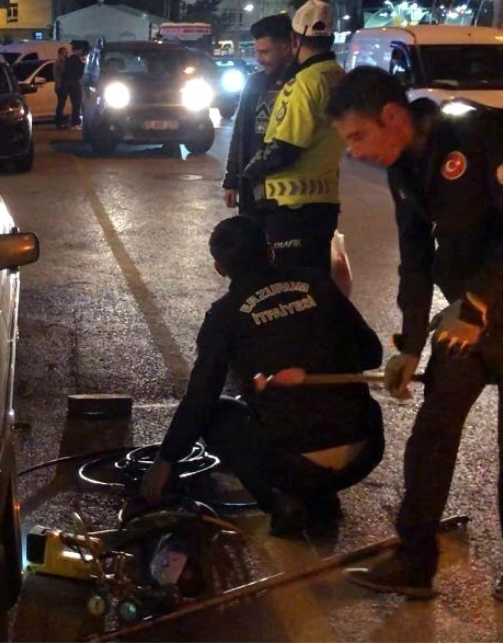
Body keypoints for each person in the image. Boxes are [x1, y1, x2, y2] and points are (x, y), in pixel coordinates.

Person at [327, 67, 503, 603]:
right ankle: (415, 560)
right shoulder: (402, 166)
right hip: (469, 316)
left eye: (357, 137)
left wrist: (478, 299)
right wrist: (413, 343)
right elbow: (416, 260)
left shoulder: (474, 133)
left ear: (391, 117)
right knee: (433, 430)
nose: (355, 152)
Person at [140, 215, 386, 537]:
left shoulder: (224, 316)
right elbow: (373, 354)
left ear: (219, 268)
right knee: (313, 413)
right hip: (365, 449)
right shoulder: (319, 283)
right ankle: (320, 495)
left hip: (295, 464)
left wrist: (166, 460)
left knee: (218, 413)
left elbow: (200, 400)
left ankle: (280, 502)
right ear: (270, 251)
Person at [241, 0, 345, 272]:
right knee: (316, 282)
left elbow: (285, 147)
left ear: (294, 39)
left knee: (287, 285)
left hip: (290, 208)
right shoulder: (340, 78)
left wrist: (250, 173)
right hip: (326, 202)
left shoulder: (303, 83)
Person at [224, 14, 296, 218]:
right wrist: (232, 180)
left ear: (286, 47)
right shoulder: (254, 83)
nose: (259, 58)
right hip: (252, 188)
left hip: (286, 195)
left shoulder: (299, 83)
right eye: (257, 51)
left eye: (265, 52)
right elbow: (241, 134)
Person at [59, 42, 86, 128]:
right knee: (76, 102)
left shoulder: (69, 59)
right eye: (81, 50)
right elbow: (81, 71)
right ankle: (75, 120)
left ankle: (59, 120)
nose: (82, 52)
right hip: (74, 83)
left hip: (66, 83)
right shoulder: (77, 60)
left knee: (62, 102)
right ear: (78, 51)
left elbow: (64, 71)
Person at [53, 47, 70, 128]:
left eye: (66, 52)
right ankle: (59, 122)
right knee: (60, 104)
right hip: (60, 86)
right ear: (60, 53)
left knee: (61, 104)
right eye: (64, 52)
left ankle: (60, 121)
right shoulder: (59, 62)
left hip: (63, 85)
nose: (66, 54)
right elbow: (57, 75)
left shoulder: (64, 62)